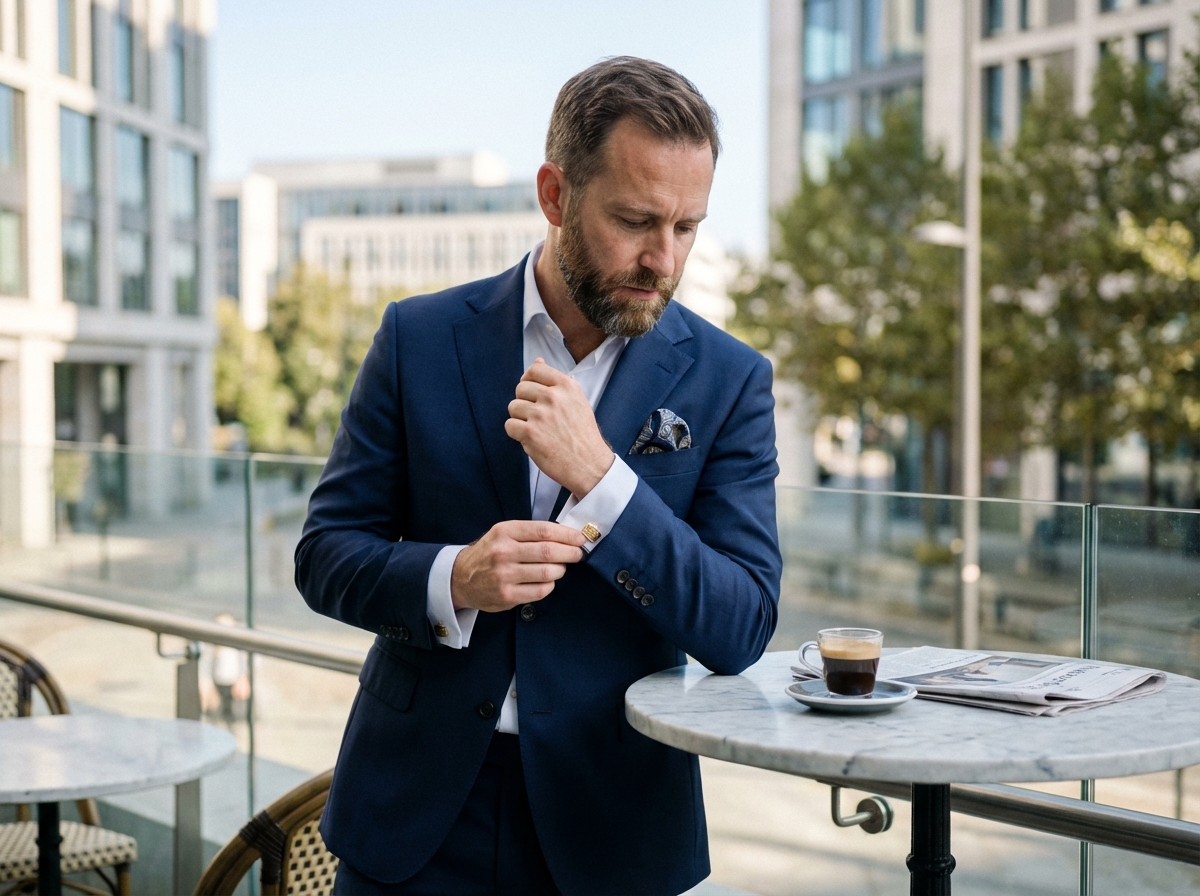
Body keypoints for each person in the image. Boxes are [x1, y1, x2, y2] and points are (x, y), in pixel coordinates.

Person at [296, 56, 782, 895]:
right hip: (414, 815)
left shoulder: (731, 379)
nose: (663, 259)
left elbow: (741, 626)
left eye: (687, 227)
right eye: (635, 220)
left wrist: (603, 481)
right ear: (555, 195)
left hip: (613, 822)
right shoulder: (417, 337)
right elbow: (325, 554)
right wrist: (456, 578)